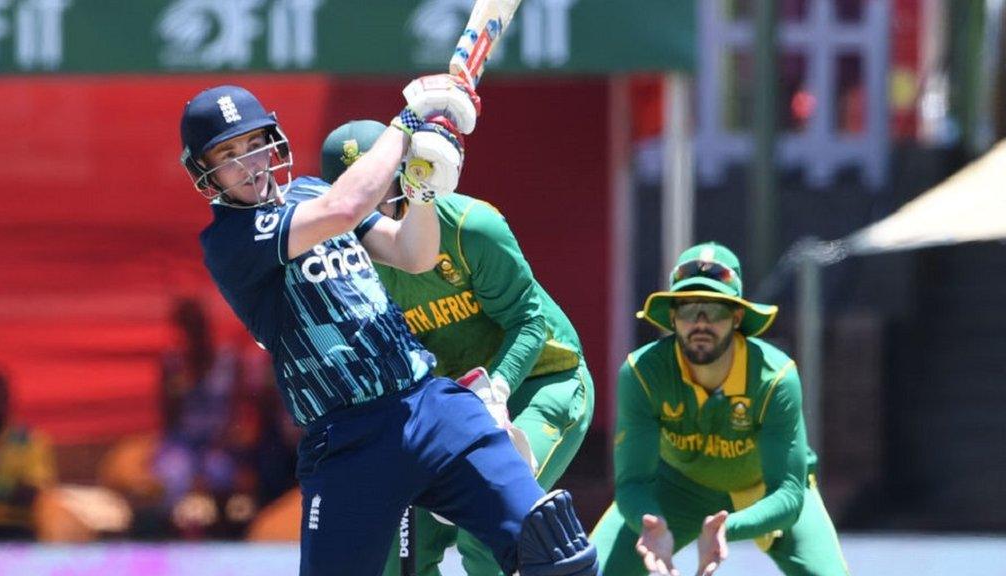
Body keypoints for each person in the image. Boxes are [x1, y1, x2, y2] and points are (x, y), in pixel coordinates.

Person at [178, 78, 597, 576]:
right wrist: (407, 122)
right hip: (348, 439)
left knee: (554, 550)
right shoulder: (231, 241)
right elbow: (344, 208)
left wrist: (420, 188)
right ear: (205, 172)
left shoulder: (311, 189)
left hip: (430, 407)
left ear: (274, 141)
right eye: (229, 154)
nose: (249, 163)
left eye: (255, 143)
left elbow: (413, 254)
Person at [319, 120, 596, 576]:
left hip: (541, 380)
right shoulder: (342, 263)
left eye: (378, 189)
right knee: (397, 553)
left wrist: (497, 392)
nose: (369, 208)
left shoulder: (471, 227)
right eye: (355, 194)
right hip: (447, 407)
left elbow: (529, 322)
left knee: (490, 525)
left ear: (407, 172)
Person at [590, 242, 849, 576]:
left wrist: (732, 526)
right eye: (687, 310)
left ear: (736, 316)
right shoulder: (642, 373)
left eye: (714, 310)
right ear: (672, 317)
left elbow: (788, 494)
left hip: (761, 493)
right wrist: (650, 523)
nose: (700, 324)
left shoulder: (775, 378)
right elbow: (632, 484)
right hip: (676, 489)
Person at [0, 368, 57, 539]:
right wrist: (9, 488)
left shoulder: (30, 440)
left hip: (18, 522)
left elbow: (33, 491)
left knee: (2, 556)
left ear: (9, 400)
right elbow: (19, 490)